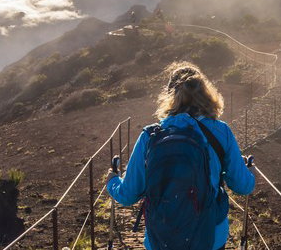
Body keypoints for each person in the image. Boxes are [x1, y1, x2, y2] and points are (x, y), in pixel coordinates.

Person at [107, 62, 255, 250]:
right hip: (210, 237)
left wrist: (112, 180)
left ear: (170, 96)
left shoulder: (151, 136)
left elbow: (128, 195)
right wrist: (250, 170)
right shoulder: (221, 132)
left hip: (162, 238)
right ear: (207, 93)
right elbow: (242, 186)